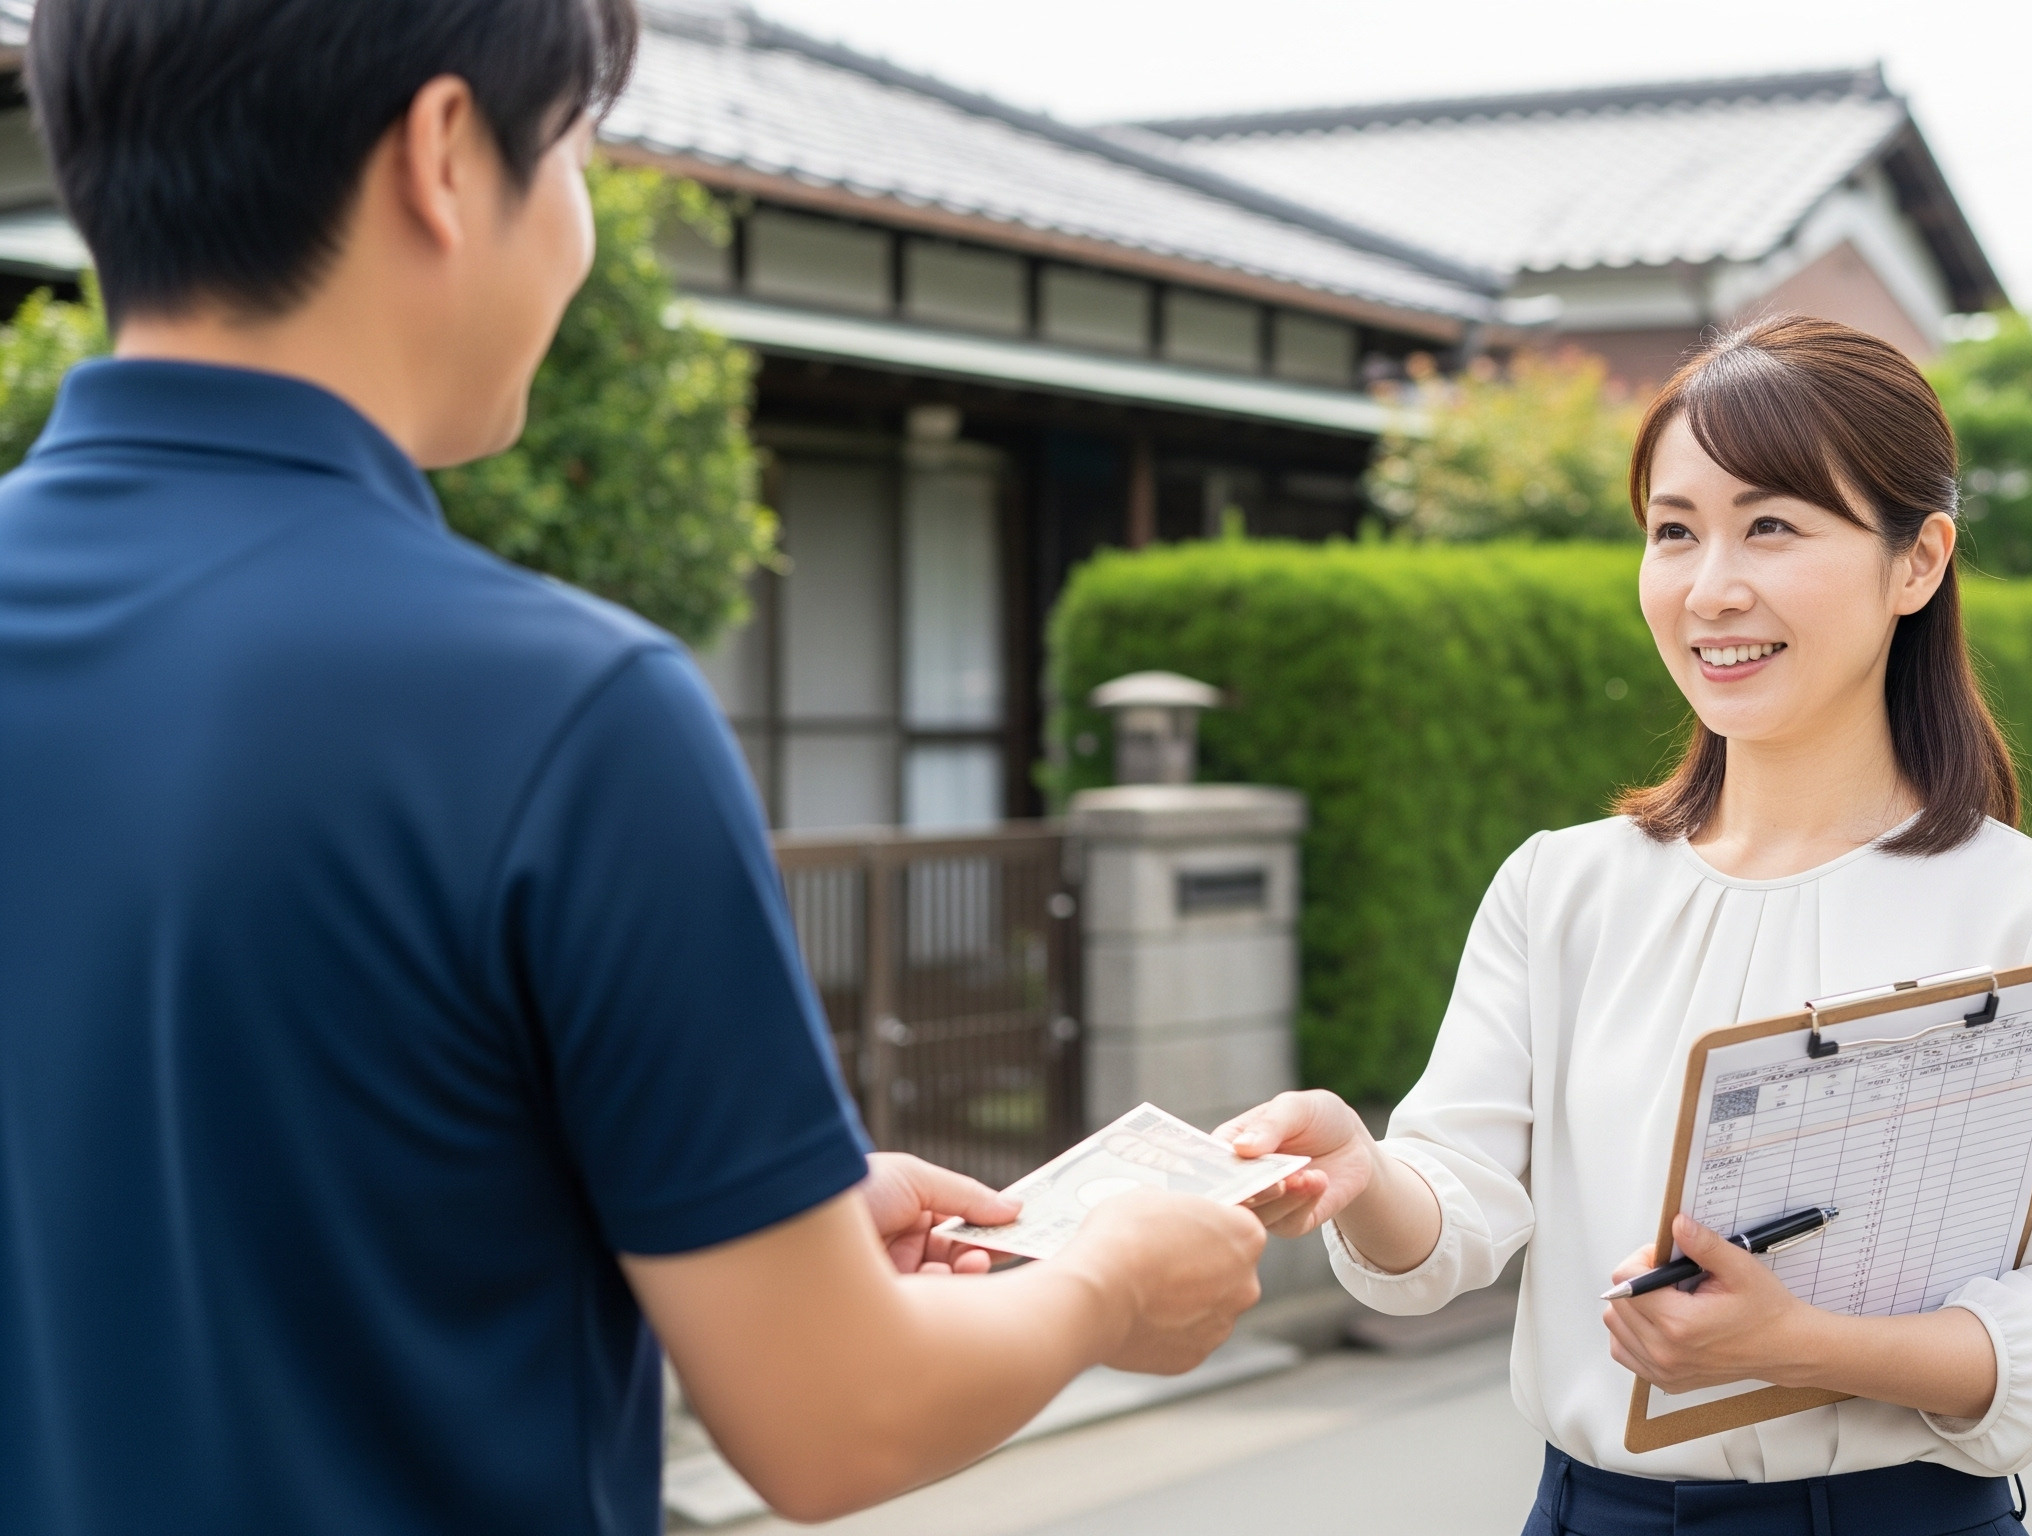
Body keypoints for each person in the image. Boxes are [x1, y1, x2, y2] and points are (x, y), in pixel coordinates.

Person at [0, 3, 1265, 1531]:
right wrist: (1109, 1281)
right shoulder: (561, 710)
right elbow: (837, 1417)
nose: (581, 237)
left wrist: (746, 1220)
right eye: (576, 157)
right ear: (445, 156)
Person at [1224, 318, 2032, 1534]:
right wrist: (1361, 1171)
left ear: (1917, 562)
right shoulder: (1562, 889)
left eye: (1770, 526)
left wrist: (1800, 1344)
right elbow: (1450, 1216)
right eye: (1673, 531)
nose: (1709, 588)